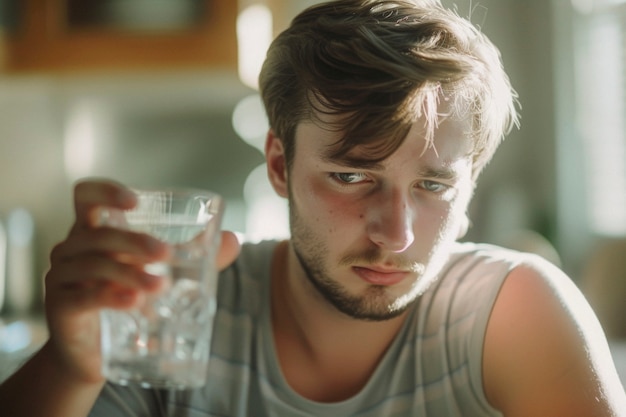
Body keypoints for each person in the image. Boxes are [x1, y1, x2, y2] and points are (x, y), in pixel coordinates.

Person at [1, 0, 625, 415]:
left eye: (433, 186)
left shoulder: (513, 315)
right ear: (279, 164)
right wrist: (68, 364)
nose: (396, 234)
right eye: (353, 175)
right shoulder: (178, 313)